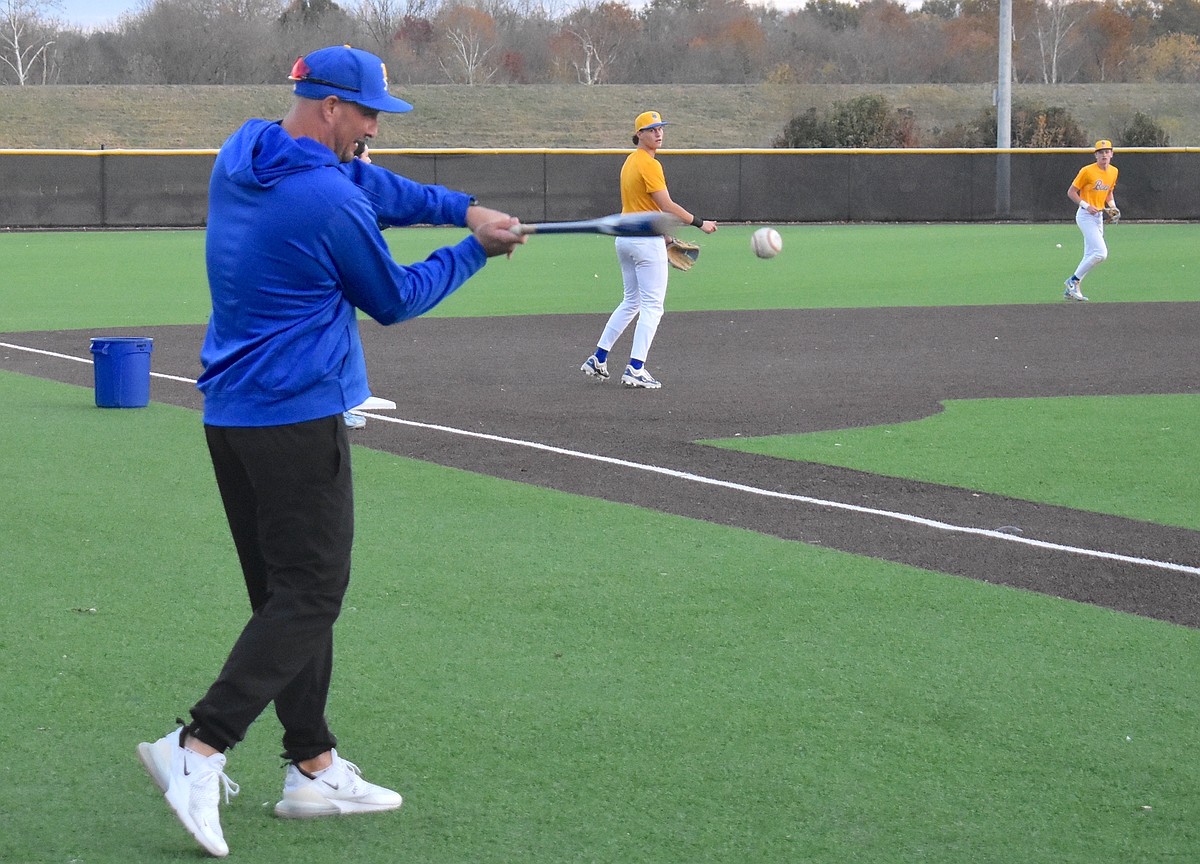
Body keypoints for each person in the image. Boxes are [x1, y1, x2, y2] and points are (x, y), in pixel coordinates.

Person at [136, 45, 524, 859]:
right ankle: (199, 746)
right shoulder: (323, 200)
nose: (376, 127)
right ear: (329, 109)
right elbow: (392, 298)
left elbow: (370, 185)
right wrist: (471, 252)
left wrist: (463, 207)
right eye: (367, 113)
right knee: (312, 592)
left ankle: (312, 767)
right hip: (295, 417)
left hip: (232, 418)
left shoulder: (245, 150)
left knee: (285, 596)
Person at [580, 110, 717, 389]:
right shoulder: (650, 165)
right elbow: (665, 206)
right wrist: (700, 223)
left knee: (632, 301)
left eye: (661, 128)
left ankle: (598, 358)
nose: (658, 133)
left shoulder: (629, 163)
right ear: (639, 134)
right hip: (644, 243)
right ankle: (635, 368)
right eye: (652, 129)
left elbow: (645, 207)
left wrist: (665, 236)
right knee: (653, 306)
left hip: (626, 239)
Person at [1063, 139, 1118, 302]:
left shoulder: (1114, 171)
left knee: (1089, 254)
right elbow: (1071, 192)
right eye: (1101, 152)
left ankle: (1071, 290)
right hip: (1085, 216)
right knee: (1101, 253)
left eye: (1107, 152)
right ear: (1096, 155)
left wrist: (1113, 207)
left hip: (1098, 216)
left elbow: (1109, 192)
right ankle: (1072, 281)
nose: (1104, 155)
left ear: (1112, 154)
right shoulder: (1087, 171)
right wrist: (1086, 206)